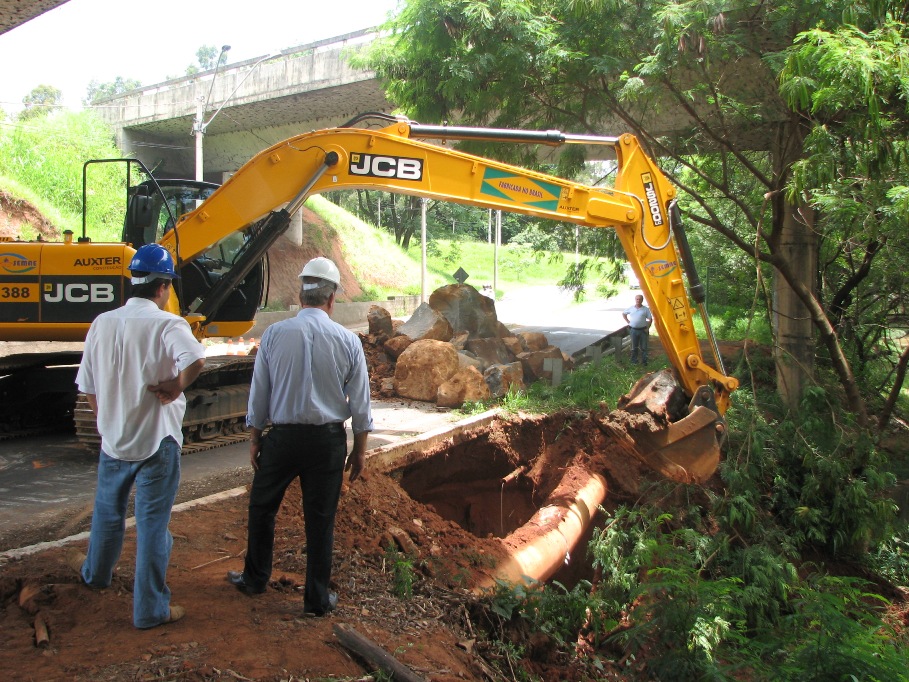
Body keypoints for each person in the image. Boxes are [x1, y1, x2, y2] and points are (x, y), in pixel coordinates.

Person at [227, 256, 373, 617]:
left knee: (262, 508)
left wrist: (256, 437)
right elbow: (361, 403)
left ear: (301, 293)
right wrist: (359, 452)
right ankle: (316, 600)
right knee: (320, 520)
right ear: (332, 297)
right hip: (327, 444)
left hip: (283, 439)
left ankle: (255, 579)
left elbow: (259, 392)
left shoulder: (275, 334)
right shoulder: (347, 341)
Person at [70, 244, 206, 629]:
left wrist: (106, 421)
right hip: (157, 441)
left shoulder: (102, 322)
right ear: (164, 286)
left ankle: (96, 574)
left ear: (133, 281)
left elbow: (88, 384)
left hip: (114, 440)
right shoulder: (168, 324)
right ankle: (149, 609)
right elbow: (196, 360)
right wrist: (176, 387)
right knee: (151, 525)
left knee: (108, 514)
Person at [622, 294, 653, 365]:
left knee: (644, 347)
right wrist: (628, 321)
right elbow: (624, 314)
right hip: (633, 330)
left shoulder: (645, 309)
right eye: (637, 299)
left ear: (642, 300)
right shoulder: (631, 308)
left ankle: (644, 361)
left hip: (643, 330)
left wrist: (648, 328)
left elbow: (650, 319)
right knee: (634, 346)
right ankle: (634, 361)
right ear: (635, 300)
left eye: (640, 299)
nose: (638, 300)